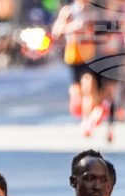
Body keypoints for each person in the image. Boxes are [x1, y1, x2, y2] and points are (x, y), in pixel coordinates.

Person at [52, 0, 102, 136]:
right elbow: (56, 32)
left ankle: (86, 122)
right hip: (74, 55)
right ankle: (77, 103)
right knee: (77, 90)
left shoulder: (94, 11)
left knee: (89, 85)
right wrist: (73, 27)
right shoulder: (69, 11)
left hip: (91, 55)